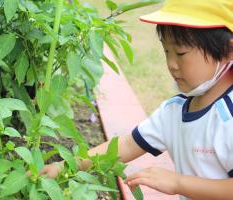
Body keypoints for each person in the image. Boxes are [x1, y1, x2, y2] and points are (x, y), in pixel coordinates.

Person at [41, 0, 233, 199]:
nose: (171, 64)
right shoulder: (174, 111)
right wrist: (63, 166)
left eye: (181, 53)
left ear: (228, 51)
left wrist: (178, 183)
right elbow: (128, 145)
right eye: (166, 51)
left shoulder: (228, 118)